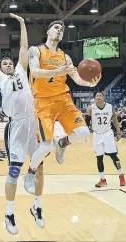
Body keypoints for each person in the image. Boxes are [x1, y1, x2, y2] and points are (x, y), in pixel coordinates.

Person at [0, 13, 43, 235]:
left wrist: (23, 24)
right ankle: (9, 214)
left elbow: (24, 47)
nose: (8, 64)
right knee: (14, 171)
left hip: (33, 123)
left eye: (9, 62)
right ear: (0, 68)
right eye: (4, 63)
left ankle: (37, 207)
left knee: (39, 168)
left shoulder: (22, 71)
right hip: (16, 126)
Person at [24, 20, 101, 193]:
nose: (59, 31)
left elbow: (76, 78)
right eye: (56, 28)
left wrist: (89, 84)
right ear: (48, 31)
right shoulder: (36, 50)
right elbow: (34, 71)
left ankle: (62, 143)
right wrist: (57, 72)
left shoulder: (65, 57)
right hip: (42, 103)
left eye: (62, 29)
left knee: (83, 133)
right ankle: (30, 172)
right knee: (44, 147)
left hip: (63, 100)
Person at [86, 92, 125, 188]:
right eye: (97, 96)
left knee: (113, 155)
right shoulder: (90, 108)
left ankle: (121, 175)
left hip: (108, 133)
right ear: (94, 98)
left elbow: (115, 120)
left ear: (103, 97)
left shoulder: (110, 107)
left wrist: (118, 132)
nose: (98, 97)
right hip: (97, 134)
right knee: (99, 157)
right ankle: (102, 179)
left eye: (100, 96)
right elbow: (86, 122)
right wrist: (85, 133)